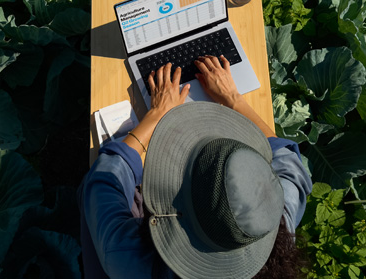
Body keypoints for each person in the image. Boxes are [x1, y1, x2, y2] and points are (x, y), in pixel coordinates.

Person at [78, 55, 312, 279]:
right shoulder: (265, 227)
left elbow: (104, 178)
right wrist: (233, 98)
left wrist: (157, 115)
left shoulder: (130, 260)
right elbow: (290, 165)